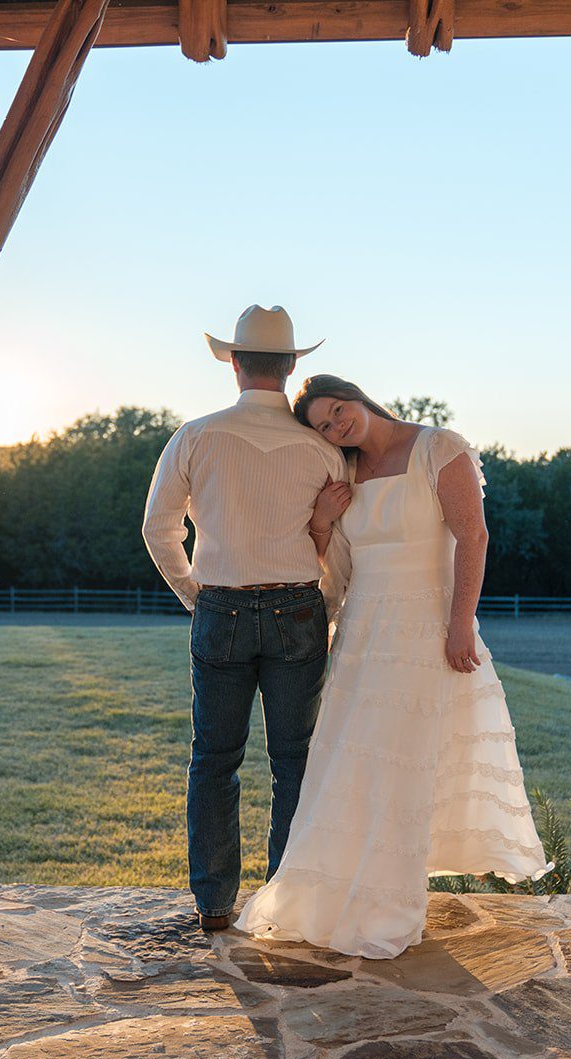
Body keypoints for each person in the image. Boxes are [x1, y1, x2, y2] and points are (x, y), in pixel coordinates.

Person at [233, 373, 552, 959]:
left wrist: (460, 625)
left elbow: (473, 537)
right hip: (363, 633)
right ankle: (337, 891)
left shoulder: (439, 447)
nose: (336, 426)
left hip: (428, 625)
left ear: (356, 395)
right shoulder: (345, 474)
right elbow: (340, 568)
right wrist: (323, 522)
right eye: (324, 426)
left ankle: (390, 905)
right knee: (355, 760)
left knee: (407, 761)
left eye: (336, 410)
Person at [142, 305, 349, 933]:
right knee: (295, 762)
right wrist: (327, 608)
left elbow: (158, 529)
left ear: (234, 362)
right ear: (290, 367)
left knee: (214, 759)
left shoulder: (195, 435)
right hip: (298, 609)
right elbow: (339, 548)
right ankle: (286, 905)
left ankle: (213, 905)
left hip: (221, 607)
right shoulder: (321, 449)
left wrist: (195, 594)